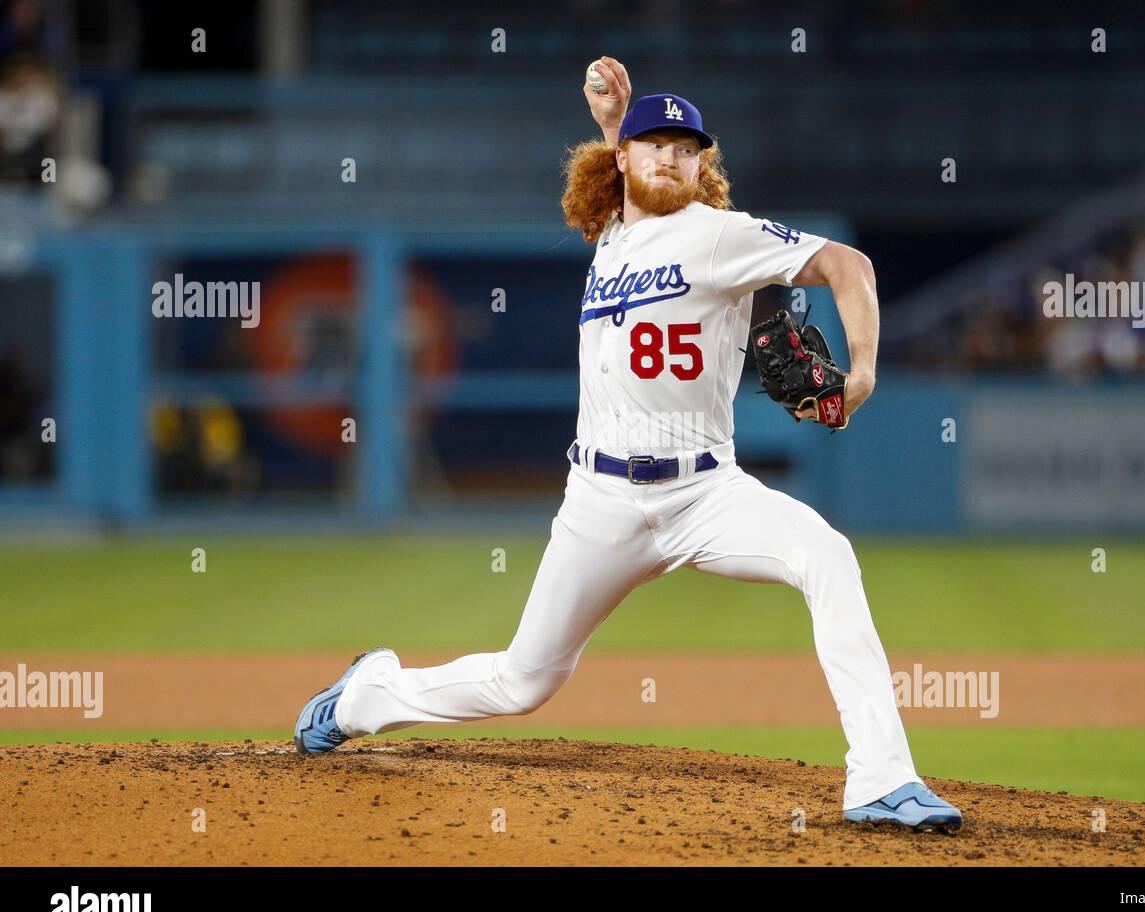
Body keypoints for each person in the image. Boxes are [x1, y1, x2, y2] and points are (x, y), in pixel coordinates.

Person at [293, 58, 963, 831]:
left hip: (706, 495)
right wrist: (619, 126)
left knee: (827, 556)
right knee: (523, 682)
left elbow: (849, 264)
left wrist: (866, 370)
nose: (671, 156)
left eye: (687, 147)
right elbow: (633, 202)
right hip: (600, 505)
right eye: (656, 144)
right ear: (623, 159)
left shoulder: (721, 237)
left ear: (703, 162)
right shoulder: (613, 237)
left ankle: (880, 778)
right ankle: (369, 695)